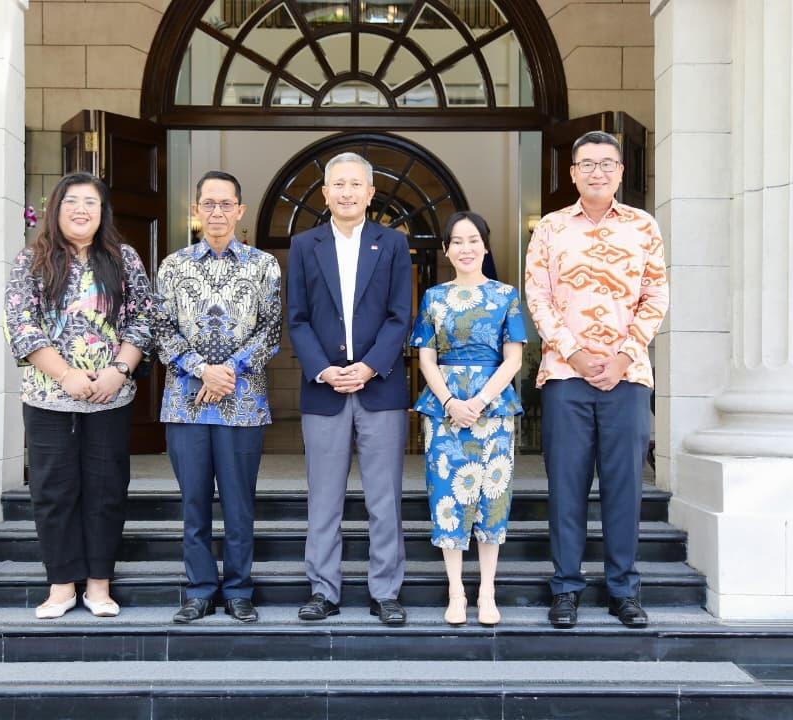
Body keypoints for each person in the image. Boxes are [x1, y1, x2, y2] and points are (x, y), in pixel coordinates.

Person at [525, 131, 669, 629]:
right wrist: (576, 353)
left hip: (628, 379)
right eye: (586, 164)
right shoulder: (549, 228)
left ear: (621, 172)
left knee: (624, 487)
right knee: (566, 486)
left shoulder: (643, 227)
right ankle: (566, 587)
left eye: (607, 163)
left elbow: (655, 296)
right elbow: (538, 298)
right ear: (572, 172)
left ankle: (623, 590)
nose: (597, 172)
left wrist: (625, 356)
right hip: (566, 374)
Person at [3, 171, 154, 620]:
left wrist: (119, 370)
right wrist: (66, 374)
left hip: (110, 397)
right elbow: (21, 324)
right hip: (49, 397)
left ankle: (99, 585)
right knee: (53, 490)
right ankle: (61, 585)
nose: (81, 209)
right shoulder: (31, 260)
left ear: (103, 211)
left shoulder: (123, 259)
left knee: (106, 490)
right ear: (56, 208)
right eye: (71, 201)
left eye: (91, 201)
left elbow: (144, 320)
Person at [286, 152, 413, 625]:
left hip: (380, 388)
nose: (346, 191)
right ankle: (323, 590)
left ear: (370, 192)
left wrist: (370, 366)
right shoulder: (304, 244)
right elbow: (296, 318)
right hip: (324, 391)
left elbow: (402, 314)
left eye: (355, 184)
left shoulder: (393, 244)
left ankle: (385, 591)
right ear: (325, 193)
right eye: (338, 184)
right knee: (324, 497)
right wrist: (324, 369)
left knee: (385, 497)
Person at [156, 171, 281, 624]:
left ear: (240, 211)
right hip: (185, 405)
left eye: (226, 204)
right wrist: (201, 369)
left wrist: (230, 371)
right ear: (196, 210)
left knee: (238, 503)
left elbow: (271, 331)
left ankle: (239, 589)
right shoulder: (173, 266)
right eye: (208, 204)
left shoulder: (264, 266)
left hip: (243, 404)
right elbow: (162, 330)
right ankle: (199, 589)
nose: (217, 212)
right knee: (193, 504)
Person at [410, 211, 525, 627]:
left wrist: (478, 400)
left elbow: (514, 356)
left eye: (473, 240)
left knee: (492, 500)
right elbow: (425, 354)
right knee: (448, 497)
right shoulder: (434, 297)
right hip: (444, 407)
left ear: (486, 245)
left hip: (492, 405)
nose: (465, 248)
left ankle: (487, 590)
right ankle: (456, 590)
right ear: (445, 250)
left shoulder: (506, 295)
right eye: (457, 241)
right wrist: (450, 401)